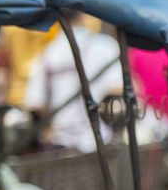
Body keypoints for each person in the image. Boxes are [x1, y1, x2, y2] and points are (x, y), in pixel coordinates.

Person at [22, 12, 122, 152]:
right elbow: (117, 94)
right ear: (84, 14)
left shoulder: (47, 53)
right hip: (99, 146)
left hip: (60, 147)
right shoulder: (105, 47)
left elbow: (35, 104)